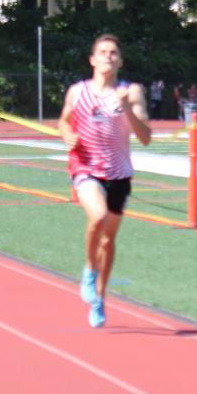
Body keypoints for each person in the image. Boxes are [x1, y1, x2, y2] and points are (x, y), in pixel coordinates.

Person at [58, 33, 151, 329]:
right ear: (92, 60)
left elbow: (146, 137)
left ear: (120, 61)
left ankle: (99, 297)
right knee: (97, 216)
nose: (108, 56)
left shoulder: (131, 91)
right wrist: (66, 134)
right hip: (85, 166)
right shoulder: (77, 91)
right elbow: (63, 120)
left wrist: (126, 108)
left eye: (113, 53)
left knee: (108, 240)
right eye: (103, 52)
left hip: (119, 173)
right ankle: (89, 269)